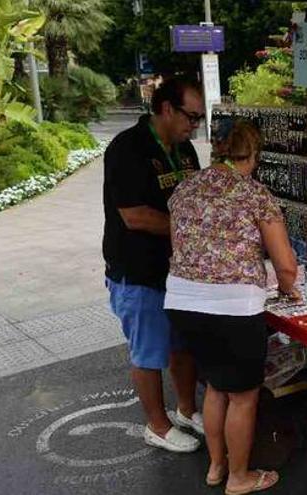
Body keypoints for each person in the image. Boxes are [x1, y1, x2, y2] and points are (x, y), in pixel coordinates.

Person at [165, 120, 299, 494]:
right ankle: (239, 478)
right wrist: (288, 289)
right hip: (234, 309)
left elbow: (178, 246)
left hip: (182, 302)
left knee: (215, 387)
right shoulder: (255, 194)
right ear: (253, 155)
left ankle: (216, 466)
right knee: (242, 395)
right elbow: (285, 265)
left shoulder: (184, 188)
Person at [103, 78, 205, 453]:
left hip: (178, 270)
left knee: (182, 344)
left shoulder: (185, 149)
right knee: (148, 351)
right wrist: (195, 232)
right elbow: (134, 216)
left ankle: (185, 410)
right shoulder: (127, 149)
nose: (194, 126)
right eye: (191, 117)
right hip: (138, 270)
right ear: (166, 109)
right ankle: (157, 426)